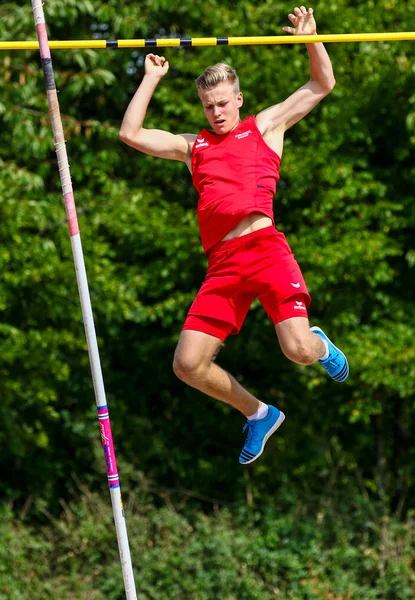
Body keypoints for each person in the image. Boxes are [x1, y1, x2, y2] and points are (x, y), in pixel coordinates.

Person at [119, 6, 348, 465]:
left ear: (239, 99)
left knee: (299, 350)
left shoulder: (265, 126)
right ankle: (258, 413)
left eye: (223, 103)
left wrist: (311, 38)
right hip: (223, 264)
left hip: (265, 250)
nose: (217, 112)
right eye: (209, 106)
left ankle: (320, 344)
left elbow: (322, 84)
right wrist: (150, 77)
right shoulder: (193, 147)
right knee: (187, 365)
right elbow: (131, 133)